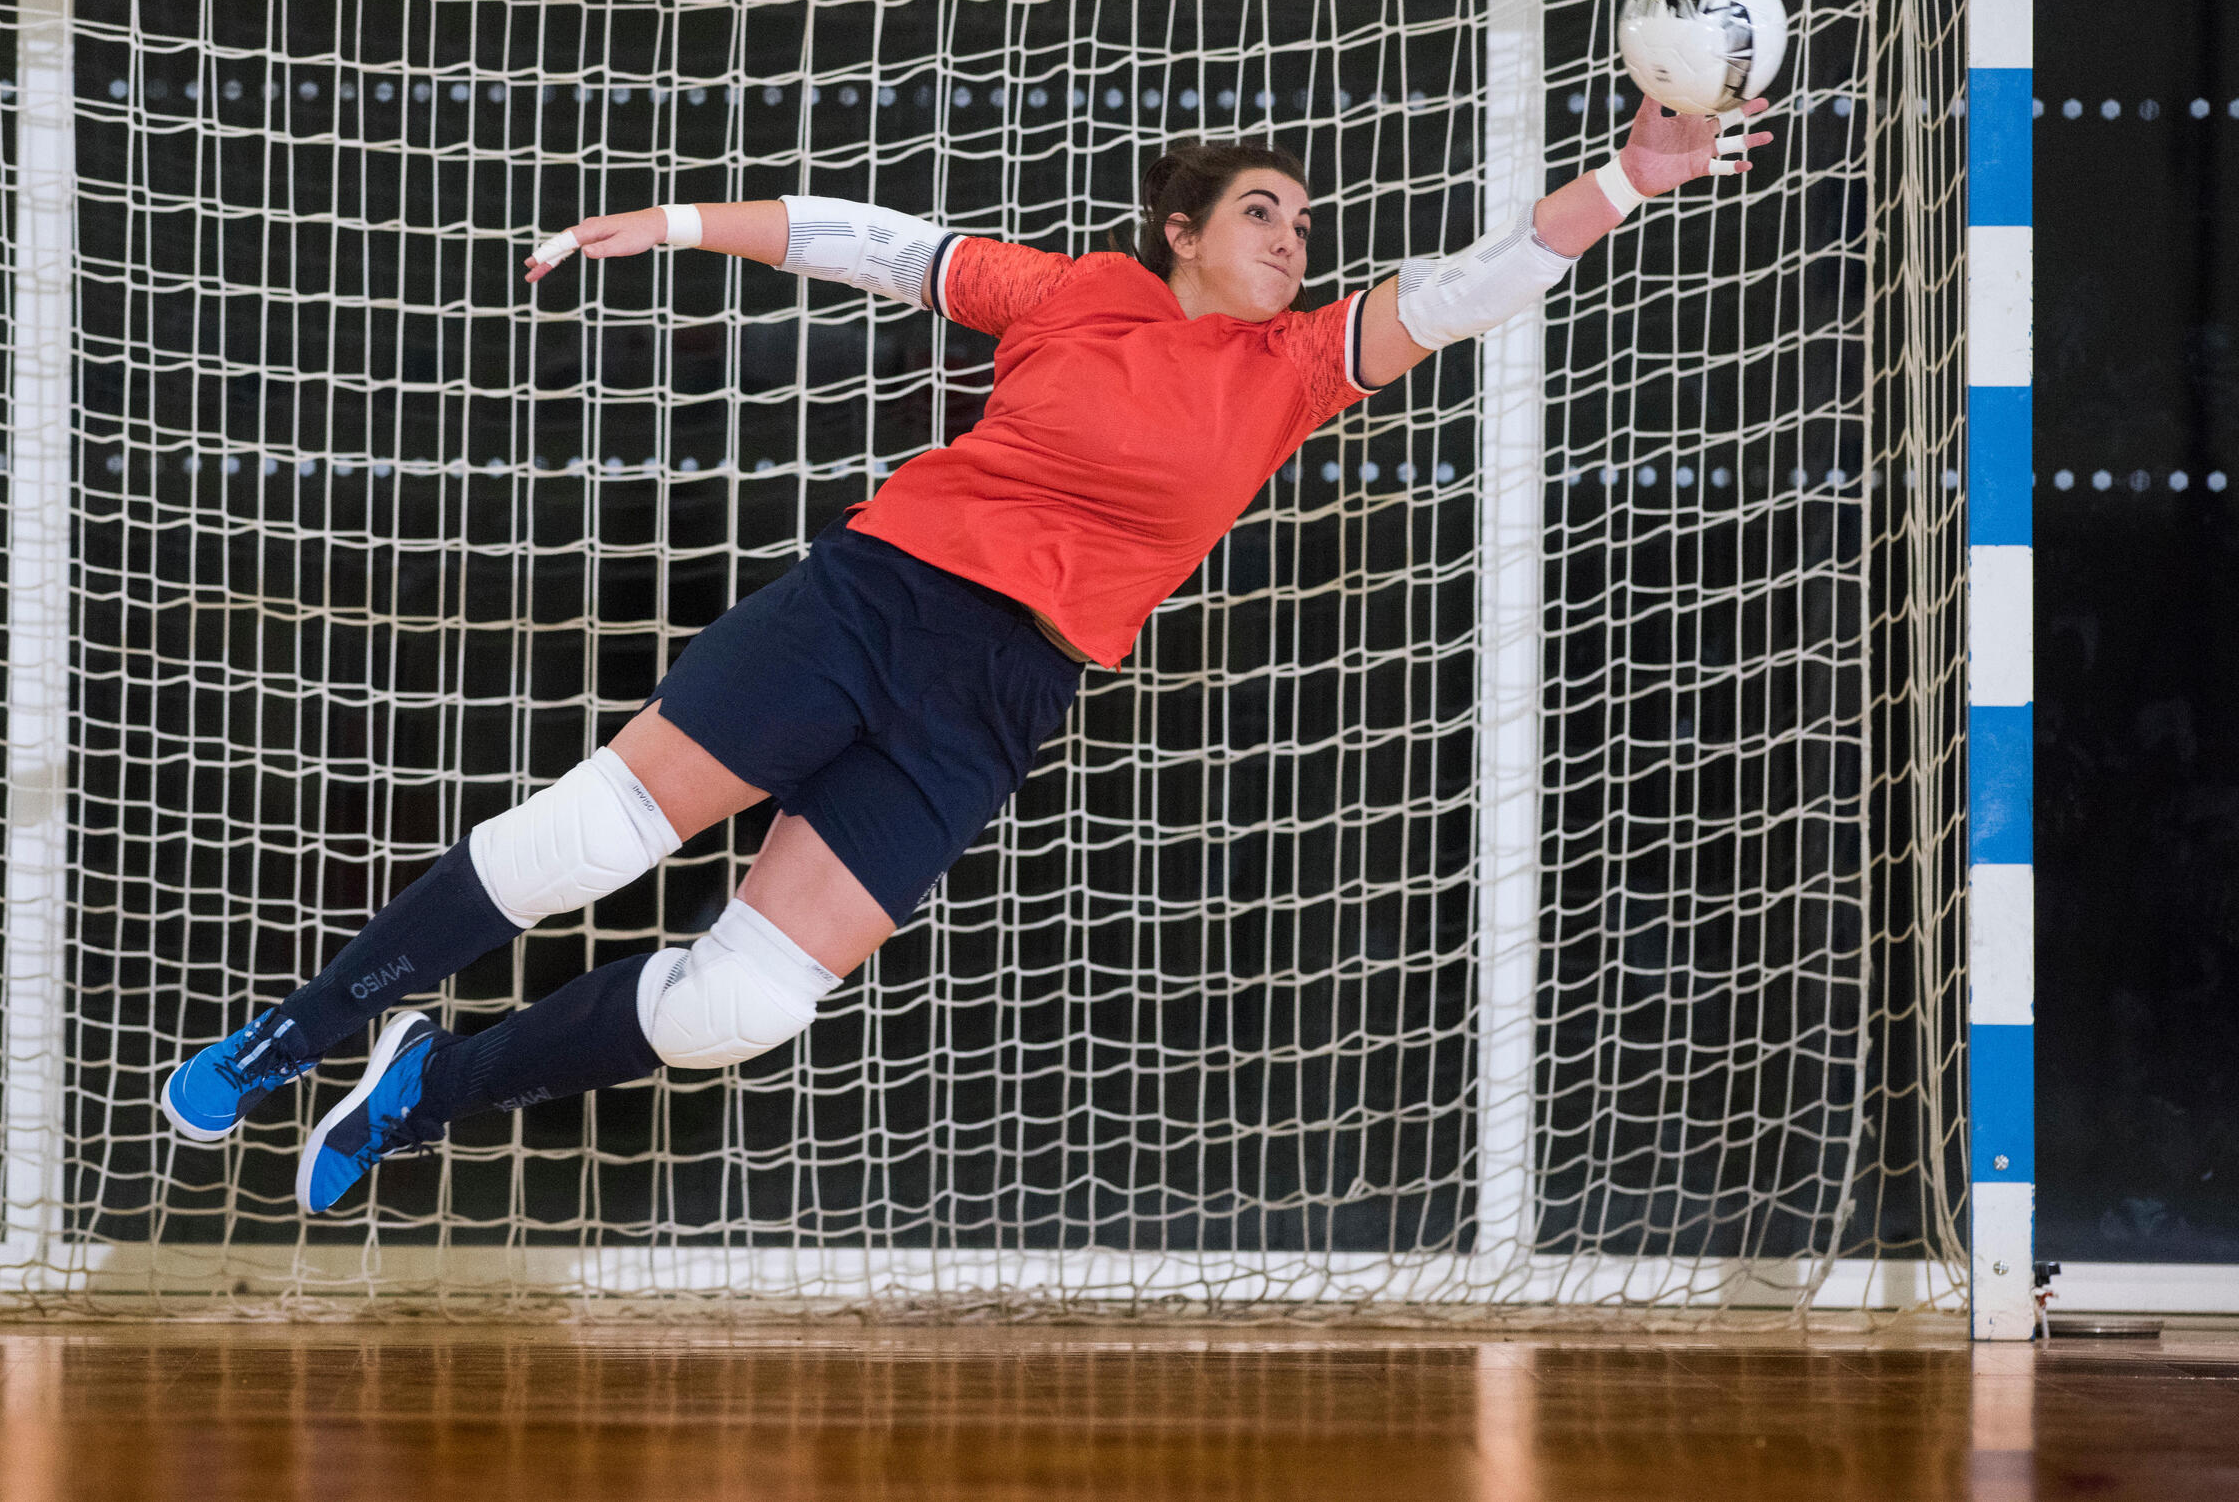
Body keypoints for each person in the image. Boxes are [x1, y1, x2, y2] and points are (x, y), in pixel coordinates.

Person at [161, 95, 1770, 1212]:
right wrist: (664, 221)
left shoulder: (1299, 365)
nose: (1294, 235)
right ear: (1181, 231)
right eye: (1261, 211)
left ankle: (426, 1088)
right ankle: (287, 1036)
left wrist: (1630, 179)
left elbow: (1482, 283)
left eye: (1304, 217)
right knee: (576, 842)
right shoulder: (1078, 297)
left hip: (1000, 698)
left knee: (742, 1006)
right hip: (875, 601)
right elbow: (863, 240)